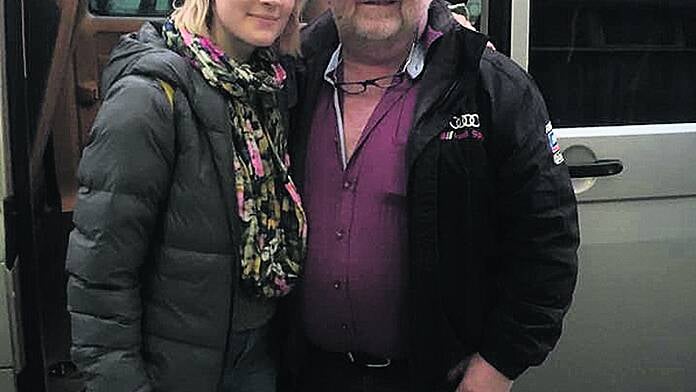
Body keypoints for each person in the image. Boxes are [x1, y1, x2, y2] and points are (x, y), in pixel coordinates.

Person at [283, 0, 580, 390]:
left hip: (436, 380)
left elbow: (547, 241)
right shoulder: (287, 75)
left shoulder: (488, 85)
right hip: (305, 374)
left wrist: (498, 365)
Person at [65, 0, 306, 390]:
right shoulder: (149, 98)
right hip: (178, 368)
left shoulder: (272, 87)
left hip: (260, 351)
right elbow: (100, 276)